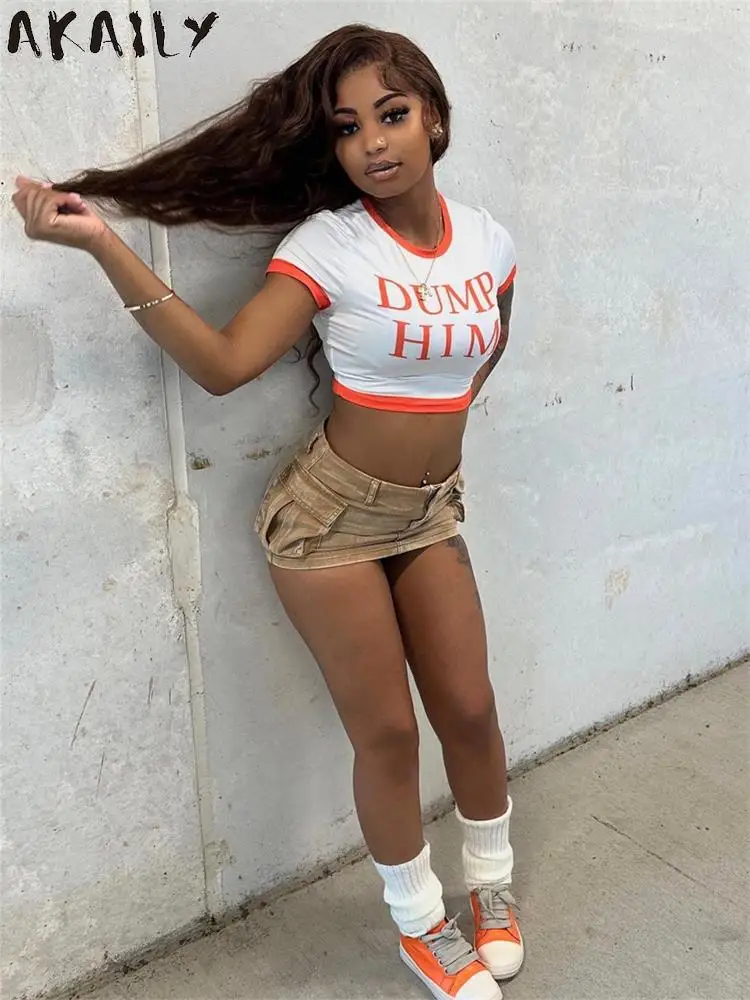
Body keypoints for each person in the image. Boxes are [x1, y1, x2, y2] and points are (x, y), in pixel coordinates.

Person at [12, 23, 523, 1000]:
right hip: (330, 522)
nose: (372, 142)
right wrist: (103, 243)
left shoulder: (491, 243)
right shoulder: (329, 245)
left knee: (469, 707)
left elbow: (485, 351)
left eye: (391, 114)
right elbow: (222, 365)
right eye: (346, 128)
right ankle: (421, 923)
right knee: (389, 735)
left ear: (434, 116)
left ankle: (491, 885)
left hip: (428, 512)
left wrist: (428, 443)